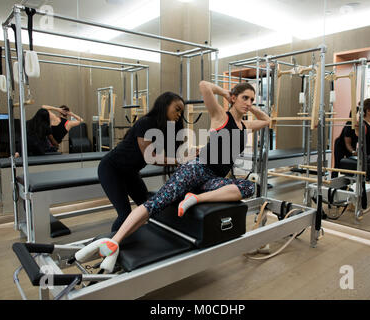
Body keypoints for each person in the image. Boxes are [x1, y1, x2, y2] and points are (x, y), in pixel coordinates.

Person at [85, 81, 271, 263]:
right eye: (245, 98)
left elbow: (267, 120)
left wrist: (249, 106)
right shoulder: (221, 116)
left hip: (213, 179)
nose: (248, 102)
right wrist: (227, 96)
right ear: (233, 97)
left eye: (252, 99)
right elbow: (205, 86)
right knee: (156, 203)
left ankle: (195, 198)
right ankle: (114, 241)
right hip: (197, 169)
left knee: (248, 187)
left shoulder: (245, 126)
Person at [98, 92, 187, 232]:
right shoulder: (146, 123)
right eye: (177, 109)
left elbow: (176, 154)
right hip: (112, 169)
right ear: (164, 106)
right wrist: (179, 160)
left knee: (147, 208)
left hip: (130, 172)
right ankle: (111, 247)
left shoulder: (167, 129)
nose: (179, 115)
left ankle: (145, 241)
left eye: (181, 112)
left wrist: (191, 155)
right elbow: (149, 157)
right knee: (125, 214)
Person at [332, 109, 358, 178]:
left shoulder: (360, 125)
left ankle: (345, 185)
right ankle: (333, 184)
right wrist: (353, 151)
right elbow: (347, 144)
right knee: (337, 165)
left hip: (351, 144)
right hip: (340, 145)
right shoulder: (349, 126)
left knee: (349, 166)